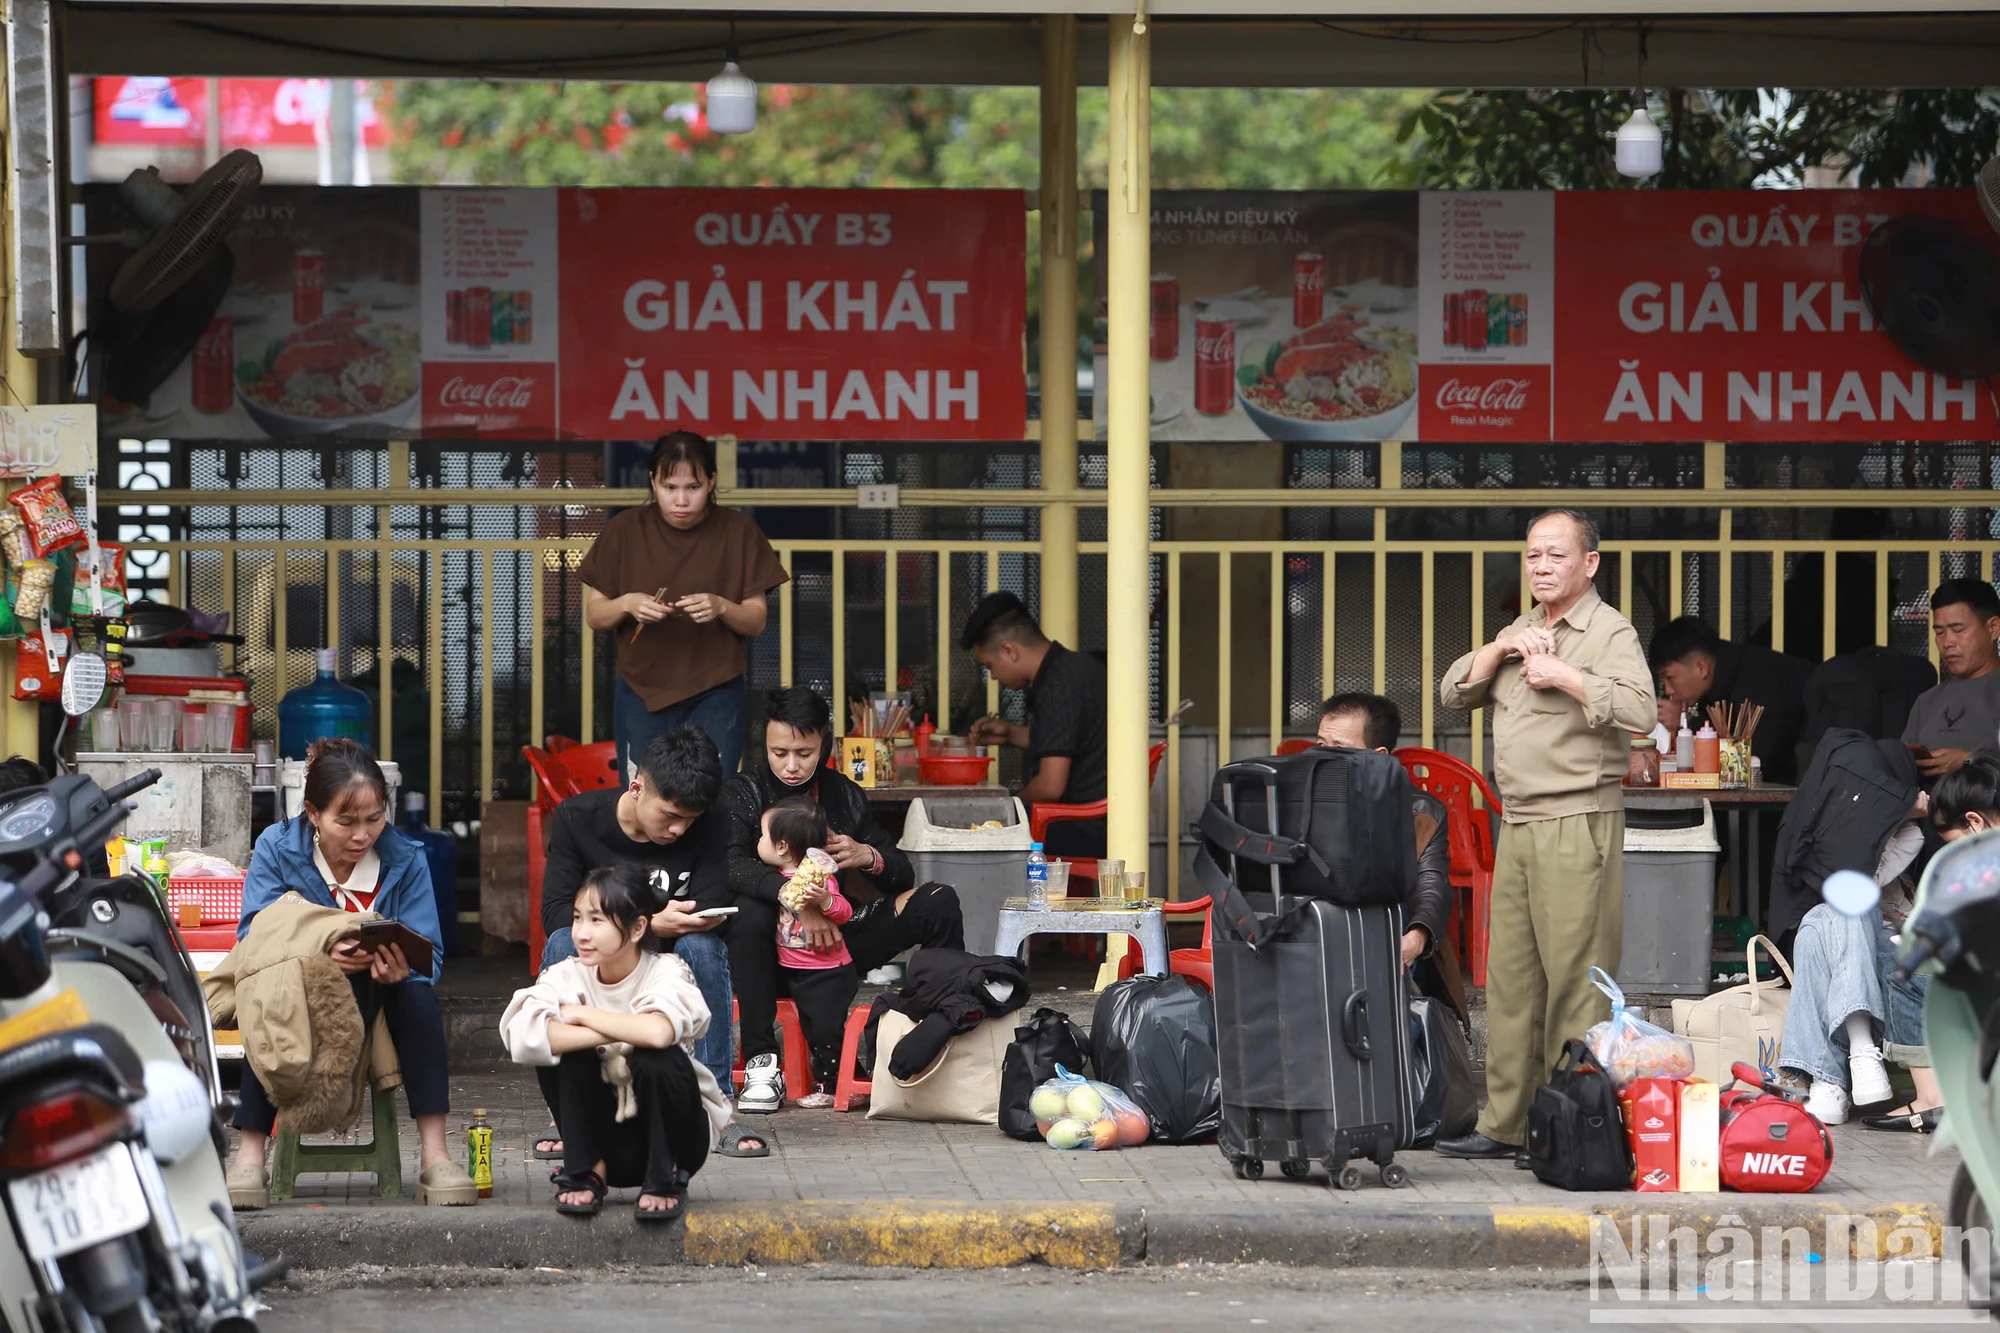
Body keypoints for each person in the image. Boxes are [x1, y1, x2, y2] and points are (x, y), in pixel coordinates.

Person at [1434, 508, 1654, 1161]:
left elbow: (1641, 708)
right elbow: (1453, 691)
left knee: (1574, 981)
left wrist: (1563, 675)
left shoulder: (1607, 630)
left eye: (1556, 555)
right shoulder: (1522, 628)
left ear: (1590, 563)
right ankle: (1505, 1122)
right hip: (1522, 821)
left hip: (1578, 817)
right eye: (1533, 555)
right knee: (1511, 980)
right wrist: (1502, 647)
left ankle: (1564, 1123)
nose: (1541, 566)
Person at [227, 739, 477, 1209]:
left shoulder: (406, 858)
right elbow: (253, 937)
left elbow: (431, 957)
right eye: (346, 821)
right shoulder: (277, 848)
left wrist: (399, 968)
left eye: (374, 818)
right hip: (298, 995)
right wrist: (320, 951)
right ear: (313, 814)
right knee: (269, 994)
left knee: (418, 998)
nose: (363, 835)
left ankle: (435, 1155)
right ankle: (249, 1154)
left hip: (380, 998)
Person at [720, 687, 963, 1114]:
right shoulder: (743, 792)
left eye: (804, 752)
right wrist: (799, 902)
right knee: (749, 912)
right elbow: (730, 865)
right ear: (765, 748)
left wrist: (866, 855)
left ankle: (942, 1029)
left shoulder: (842, 795)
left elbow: (900, 874)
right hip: (766, 955)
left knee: (938, 901)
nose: (791, 765)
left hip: (834, 948)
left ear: (825, 747)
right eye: (780, 753)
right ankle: (762, 1059)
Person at [536, 726, 766, 1160]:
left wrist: (653, 930)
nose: (679, 830)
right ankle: (564, 1113)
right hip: (603, 958)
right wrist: (650, 923)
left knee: (704, 948)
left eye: (690, 820)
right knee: (564, 942)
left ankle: (717, 1106)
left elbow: (713, 905)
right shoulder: (577, 818)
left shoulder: (712, 820)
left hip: (669, 961)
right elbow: (555, 915)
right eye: (670, 815)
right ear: (637, 787)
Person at [501, 865, 731, 1221]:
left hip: (677, 1142)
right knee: (563, 1054)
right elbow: (525, 1037)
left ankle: (663, 1176)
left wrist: (584, 1016)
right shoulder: (566, 973)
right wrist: (623, 1029)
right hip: (604, 1142)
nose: (581, 933)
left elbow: (659, 1033)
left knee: (657, 1057)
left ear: (638, 927)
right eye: (578, 918)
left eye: (597, 920)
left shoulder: (667, 970)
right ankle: (587, 1170)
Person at [1778, 746, 1980, 1135]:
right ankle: (1857, 1055)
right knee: (1821, 923)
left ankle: (1830, 1079)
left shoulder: (1910, 836)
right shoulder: (1841, 842)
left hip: (1897, 955)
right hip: (1867, 955)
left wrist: (1899, 812)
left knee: (1833, 915)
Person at [580, 430, 789, 781]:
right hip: (641, 688)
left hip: (716, 686)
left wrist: (721, 606)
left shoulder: (739, 531)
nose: (680, 500)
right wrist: (628, 603)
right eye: (669, 488)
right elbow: (594, 615)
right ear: (652, 482)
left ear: (711, 482)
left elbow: (756, 621)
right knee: (643, 795)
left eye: (692, 488)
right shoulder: (624, 530)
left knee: (714, 794)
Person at [1314, 692, 1467, 1024]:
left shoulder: (1420, 811)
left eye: (1339, 748)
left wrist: (1416, 938)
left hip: (1388, 939)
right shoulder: (1298, 798)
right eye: (1320, 744)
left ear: (1378, 756)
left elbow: (1432, 884)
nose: (1324, 757)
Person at [961, 591, 1108, 858]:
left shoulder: (1057, 688)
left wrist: (1009, 804)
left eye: (990, 666)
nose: (993, 676)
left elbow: (1051, 786)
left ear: (1009, 650)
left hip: (1079, 827)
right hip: (1099, 819)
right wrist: (1009, 734)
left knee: (976, 833)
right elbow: (1070, 740)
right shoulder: (1078, 667)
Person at [757, 798, 859, 1108]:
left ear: (783, 847)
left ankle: (833, 1087)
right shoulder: (774, 880)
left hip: (828, 973)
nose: (757, 841)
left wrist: (826, 901)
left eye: (762, 836)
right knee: (813, 1030)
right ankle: (850, 1078)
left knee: (826, 1031)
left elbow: (844, 912)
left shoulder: (818, 879)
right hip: (798, 971)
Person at [1648, 616, 1812, 785]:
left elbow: (1752, 762)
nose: (1668, 690)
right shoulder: (1721, 684)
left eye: (1669, 677)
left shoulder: (1758, 679)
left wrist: (1686, 725)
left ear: (1702, 668)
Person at [1902, 578, 2000, 785]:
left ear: (1993, 628)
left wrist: (1969, 761)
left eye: (1958, 630)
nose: (1947, 643)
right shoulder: (1927, 702)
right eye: (1939, 632)